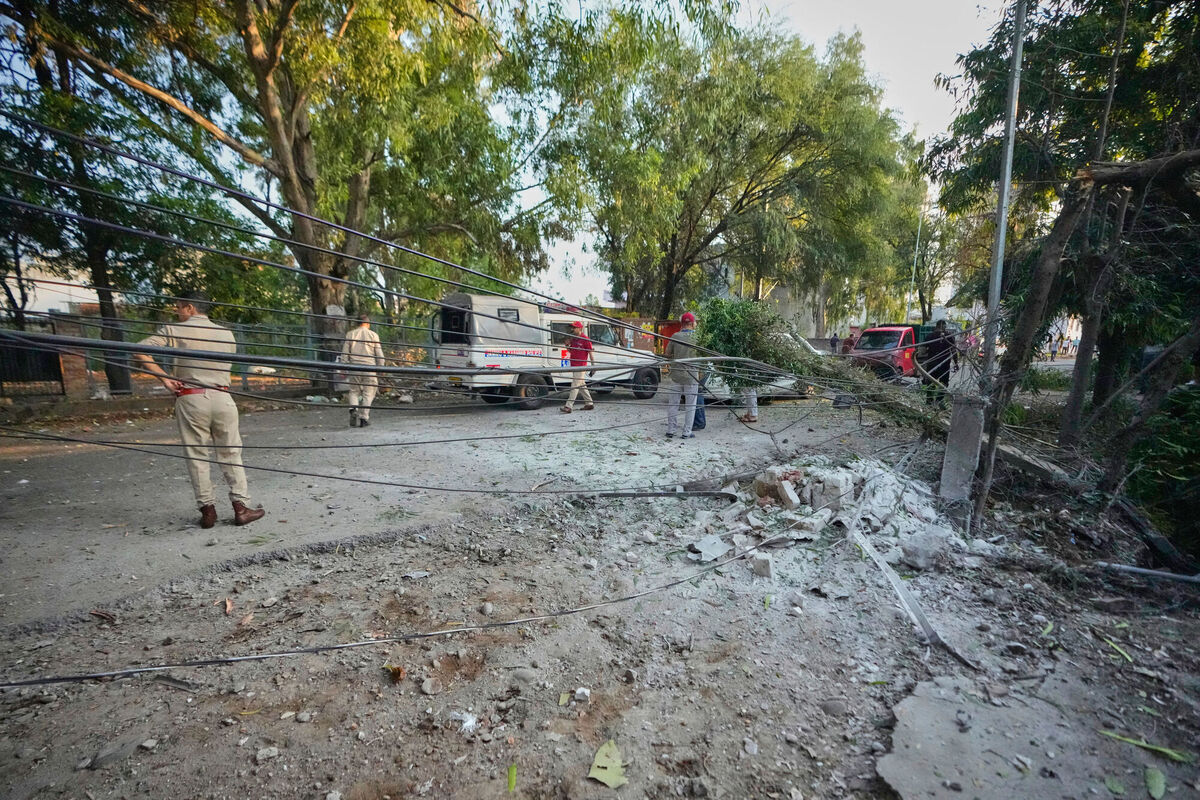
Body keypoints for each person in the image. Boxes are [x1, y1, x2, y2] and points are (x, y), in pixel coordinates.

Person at [134, 291, 265, 529]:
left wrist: (164, 378)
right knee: (231, 453)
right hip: (223, 398)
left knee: (197, 455)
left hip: (191, 398)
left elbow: (139, 349)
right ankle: (242, 508)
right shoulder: (226, 333)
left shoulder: (173, 330)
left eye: (179, 307)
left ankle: (208, 512)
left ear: (190, 308)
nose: (177, 311)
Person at [341, 314, 385, 427]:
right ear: (368, 324)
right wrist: (381, 367)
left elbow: (345, 354)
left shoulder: (350, 334)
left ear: (357, 324)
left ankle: (353, 409)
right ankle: (364, 418)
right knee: (368, 392)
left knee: (354, 391)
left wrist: (343, 367)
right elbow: (379, 355)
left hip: (354, 367)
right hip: (369, 368)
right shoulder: (373, 335)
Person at [664, 312, 700, 439]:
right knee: (690, 405)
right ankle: (686, 432)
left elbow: (667, 354)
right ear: (691, 323)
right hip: (691, 376)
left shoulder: (675, 336)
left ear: (682, 323)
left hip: (676, 375)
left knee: (673, 404)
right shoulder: (698, 337)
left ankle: (671, 430)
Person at [919, 319, 959, 410]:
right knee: (943, 383)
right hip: (944, 364)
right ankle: (939, 400)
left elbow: (922, 351)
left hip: (932, 363)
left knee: (930, 382)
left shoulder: (930, 336)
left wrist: (929, 351)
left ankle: (929, 401)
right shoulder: (949, 337)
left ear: (936, 326)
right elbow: (953, 351)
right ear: (944, 327)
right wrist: (956, 363)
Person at [561, 320, 595, 413]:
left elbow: (590, 353)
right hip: (574, 365)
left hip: (581, 366)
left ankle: (568, 406)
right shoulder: (573, 339)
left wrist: (593, 366)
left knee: (575, 385)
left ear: (580, 328)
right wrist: (567, 345)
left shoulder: (585, 339)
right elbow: (571, 351)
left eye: (574, 327)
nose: (573, 329)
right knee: (581, 385)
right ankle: (589, 403)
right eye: (572, 327)